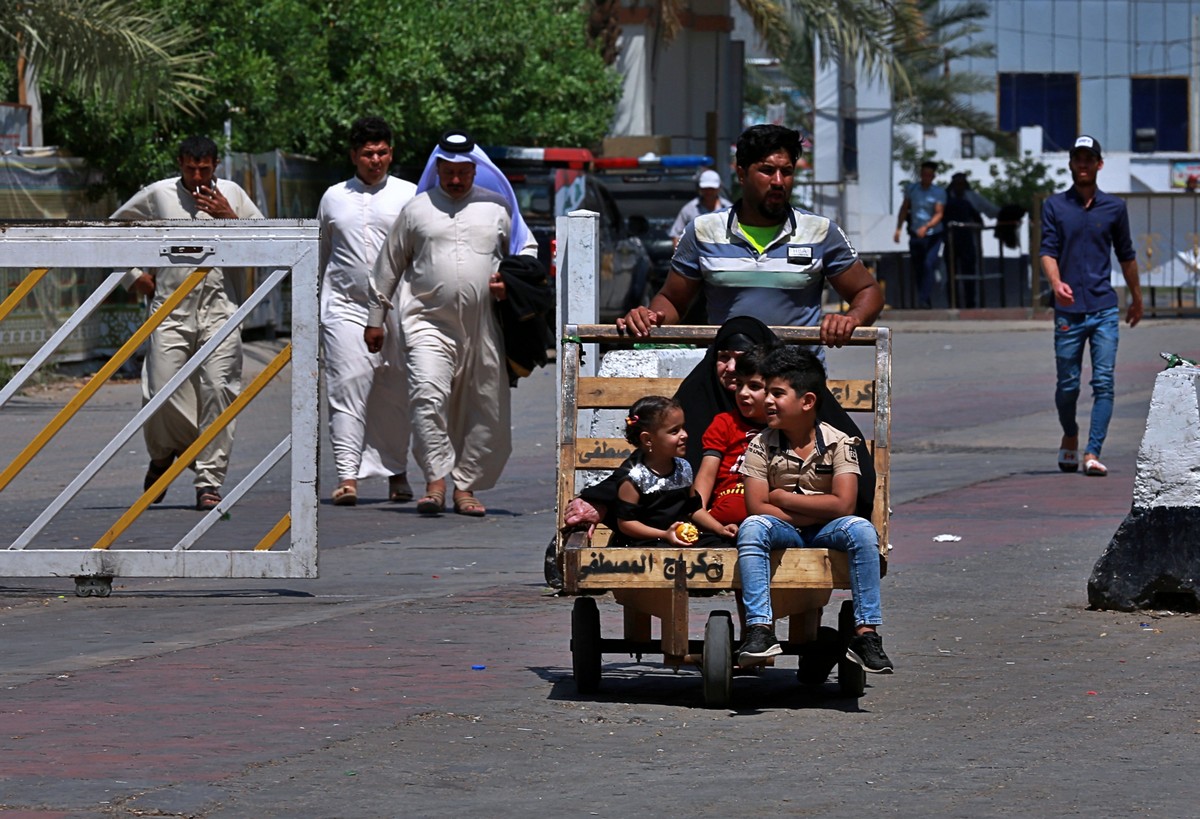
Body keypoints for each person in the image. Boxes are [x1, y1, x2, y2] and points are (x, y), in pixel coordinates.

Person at [366, 131, 540, 517]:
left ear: (475, 169)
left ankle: (466, 487)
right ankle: (435, 482)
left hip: (485, 328)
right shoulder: (416, 211)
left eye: (464, 172)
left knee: (485, 409)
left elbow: (526, 252)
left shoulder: (497, 208)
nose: (456, 180)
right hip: (428, 324)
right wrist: (375, 318)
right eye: (449, 172)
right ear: (438, 169)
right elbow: (388, 266)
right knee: (427, 398)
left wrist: (507, 282)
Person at [617, 124, 883, 351]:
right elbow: (673, 300)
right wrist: (649, 317)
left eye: (787, 172)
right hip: (729, 377)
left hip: (797, 384)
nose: (778, 181)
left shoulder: (821, 231)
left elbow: (867, 291)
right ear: (742, 174)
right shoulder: (704, 230)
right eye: (767, 170)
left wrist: (851, 319)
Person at [110, 135, 265, 512]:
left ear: (215, 166)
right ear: (180, 163)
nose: (198, 176)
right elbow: (112, 228)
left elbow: (269, 241)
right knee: (158, 392)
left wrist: (230, 217)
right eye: (191, 168)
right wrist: (133, 277)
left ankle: (208, 481)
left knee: (218, 389)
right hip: (170, 309)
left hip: (221, 308)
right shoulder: (159, 194)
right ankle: (165, 455)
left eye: (205, 169)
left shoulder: (232, 194)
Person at [735, 344, 893, 673]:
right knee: (753, 528)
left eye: (777, 393)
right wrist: (810, 510)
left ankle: (866, 634)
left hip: (827, 531)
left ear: (807, 401)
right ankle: (760, 629)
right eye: (767, 392)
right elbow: (755, 506)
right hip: (784, 531)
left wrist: (784, 499)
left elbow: (844, 504)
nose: (767, 400)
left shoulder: (840, 442)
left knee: (862, 530)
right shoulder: (760, 445)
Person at [316, 117, 417, 507]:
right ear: (353, 156)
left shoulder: (409, 195)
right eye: (367, 153)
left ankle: (396, 472)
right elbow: (323, 255)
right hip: (344, 307)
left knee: (394, 393)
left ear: (391, 153)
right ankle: (347, 476)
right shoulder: (333, 197)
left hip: (398, 307)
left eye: (381, 152)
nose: (375, 160)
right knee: (346, 387)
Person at [1040, 135, 1142, 478]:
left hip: (1103, 308)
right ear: (1071, 164)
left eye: (1089, 159)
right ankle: (1070, 433)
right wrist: (1056, 284)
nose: (1083, 165)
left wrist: (1137, 298)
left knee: (1104, 382)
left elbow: (1126, 255)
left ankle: (1093, 451)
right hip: (1068, 310)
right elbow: (1047, 251)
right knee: (1068, 385)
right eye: (1077, 159)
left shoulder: (1114, 207)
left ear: (1099, 164)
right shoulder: (1055, 206)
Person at [610, 395, 734, 549]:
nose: (685, 435)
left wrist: (720, 529)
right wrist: (664, 535)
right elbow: (626, 523)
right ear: (648, 439)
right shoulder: (634, 477)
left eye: (683, 427)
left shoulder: (683, 468)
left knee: (722, 546)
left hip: (679, 537)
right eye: (674, 431)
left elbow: (693, 509)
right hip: (645, 542)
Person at [894, 160, 947, 309]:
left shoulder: (938, 193)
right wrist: (898, 228)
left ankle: (924, 299)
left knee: (928, 264)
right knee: (919, 267)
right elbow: (904, 209)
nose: (926, 177)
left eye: (929, 175)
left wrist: (927, 226)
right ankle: (924, 296)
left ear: (933, 176)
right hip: (916, 233)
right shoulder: (912, 189)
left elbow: (939, 213)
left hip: (932, 234)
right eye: (924, 174)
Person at [668, 169, 732, 249]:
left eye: (711, 189)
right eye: (705, 188)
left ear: (718, 188)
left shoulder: (729, 209)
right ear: (700, 188)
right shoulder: (689, 210)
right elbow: (676, 235)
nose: (708, 192)